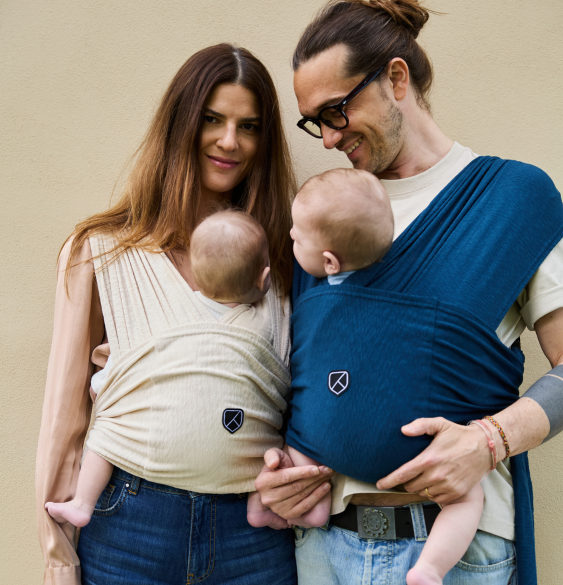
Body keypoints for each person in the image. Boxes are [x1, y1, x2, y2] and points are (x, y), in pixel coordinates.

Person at [255, 2, 563, 584]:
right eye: (315, 122)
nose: (328, 138)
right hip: (322, 547)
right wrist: (278, 472)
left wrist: (490, 441)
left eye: (336, 111)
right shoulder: (320, 212)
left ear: (396, 79)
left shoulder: (512, 200)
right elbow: (310, 375)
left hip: (453, 554)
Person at [36, 44, 299, 585]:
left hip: (253, 534)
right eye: (212, 119)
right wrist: (59, 560)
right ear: (181, 124)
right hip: (129, 528)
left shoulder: (288, 259)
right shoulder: (101, 252)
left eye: (249, 126)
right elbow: (64, 422)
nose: (230, 141)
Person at [44, 210, 278, 530]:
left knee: (108, 434)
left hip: (145, 475)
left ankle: (83, 504)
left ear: (195, 275)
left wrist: (102, 385)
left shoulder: (163, 321)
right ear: (264, 279)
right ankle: (258, 507)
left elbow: (127, 371)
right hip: (236, 478)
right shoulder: (264, 325)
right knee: (263, 446)